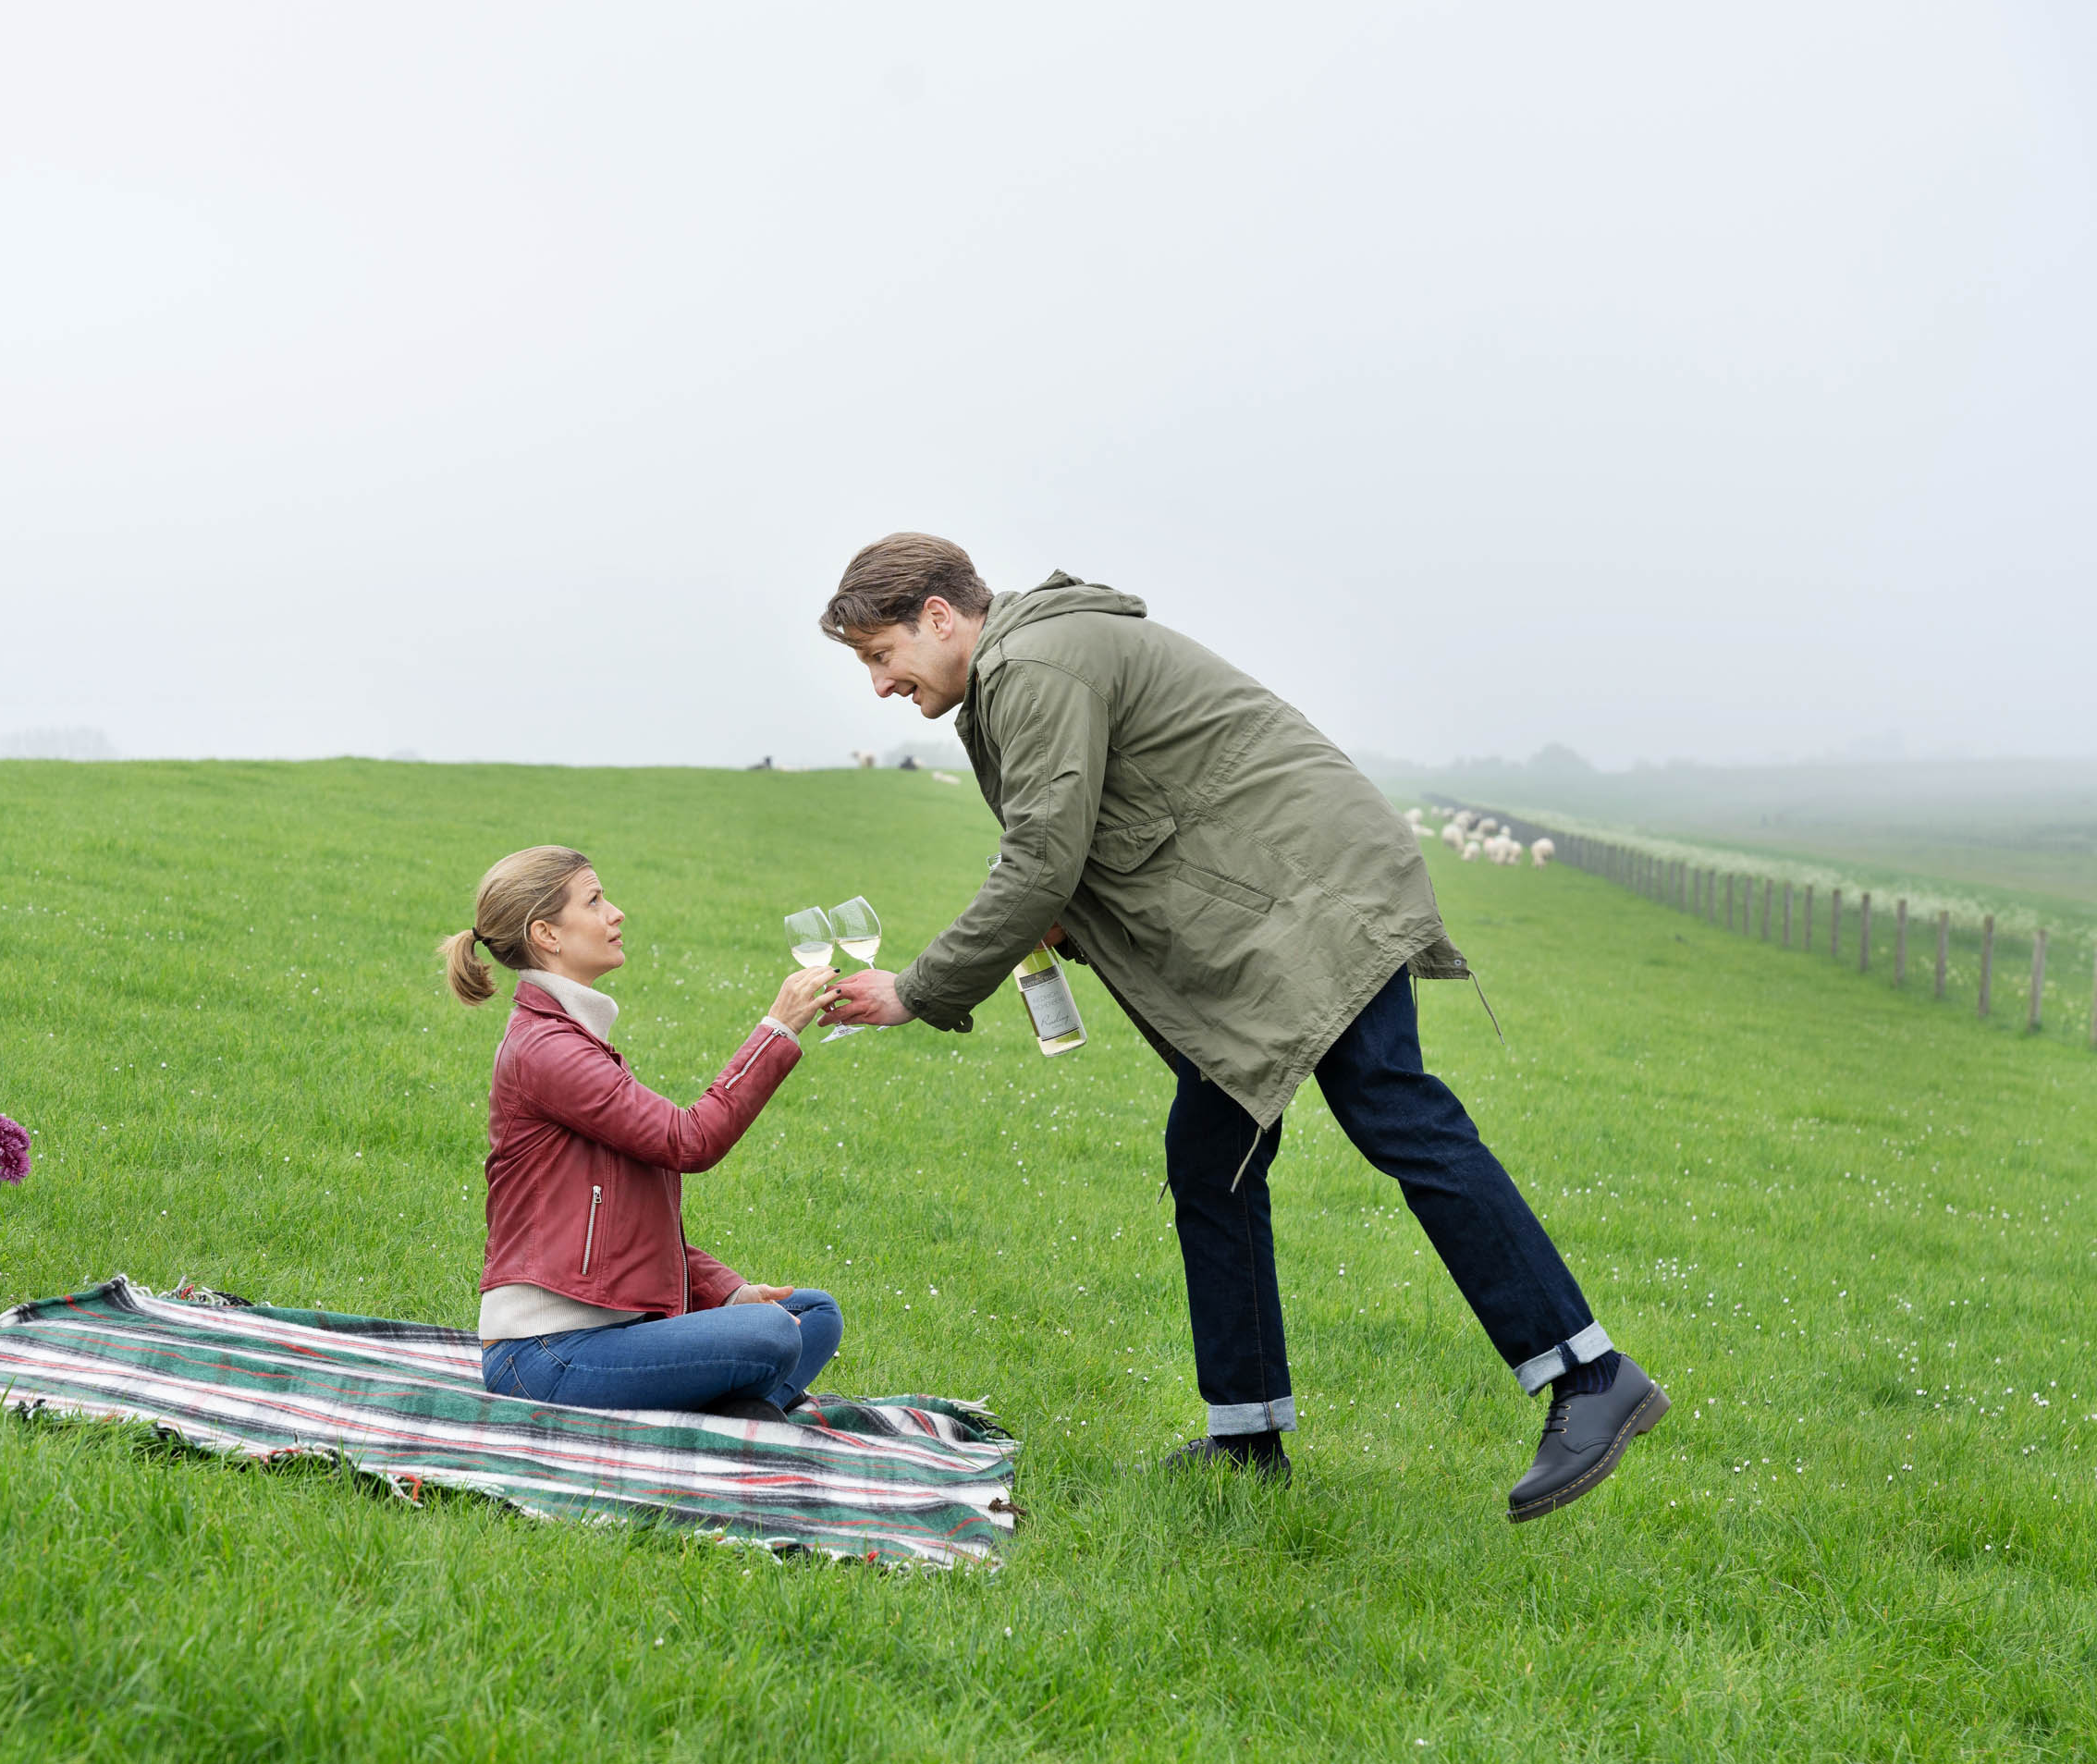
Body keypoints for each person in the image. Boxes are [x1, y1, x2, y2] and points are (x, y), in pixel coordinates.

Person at [814, 533, 1666, 1521]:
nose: (879, 685)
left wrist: (917, 988)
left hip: (1314, 897)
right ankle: (1247, 1438)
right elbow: (1084, 835)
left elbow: (1043, 854)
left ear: (938, 616)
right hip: (1275, 911)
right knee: (1210, 1156)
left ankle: (1589, 1374)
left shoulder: (1037, 663)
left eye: (881, 656)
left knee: (1395, 1111)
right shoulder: (1025, 668)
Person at [441, 844, 845, 1422]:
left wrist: (726, 1292)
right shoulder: (546, 1050)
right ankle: (738, 1413)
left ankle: (734, 1414)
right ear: (547, 934)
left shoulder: (574, 1040)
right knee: (773, 1337)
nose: (616, 913)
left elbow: (626, 1216)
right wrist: (777, 1029)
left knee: (814, 1315)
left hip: (613, 1329)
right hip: (546, 1355)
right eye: (595, 900)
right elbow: (690, 1141)